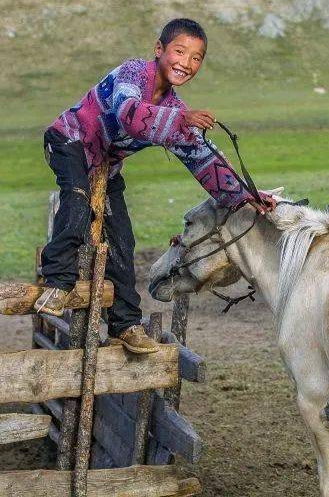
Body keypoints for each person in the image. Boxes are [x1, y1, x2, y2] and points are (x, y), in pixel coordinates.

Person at [35, 18, 275, 354]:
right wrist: (182, 120)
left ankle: (125, 325)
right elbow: (127, 114)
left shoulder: (176, 110)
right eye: (179, 51)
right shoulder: (133, 74)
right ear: (159, 49)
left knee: (123, 239)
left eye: (196, 58)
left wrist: (250, 196)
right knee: (76, 202)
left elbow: (203, 159)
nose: (186, 63)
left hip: (105, 164)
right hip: (70, 140)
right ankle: (57, 284)